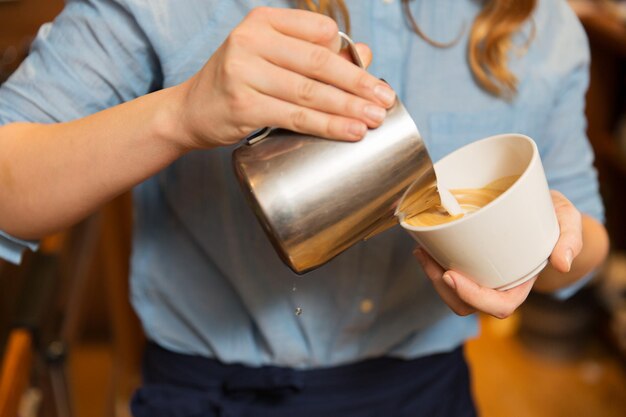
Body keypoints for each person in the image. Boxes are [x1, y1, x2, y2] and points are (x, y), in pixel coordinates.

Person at [0, 0, 609, 415]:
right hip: (209, 394)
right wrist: (178, 115)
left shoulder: (542, 26)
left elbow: (584, 237)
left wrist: (540, 240)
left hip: (424, 394)